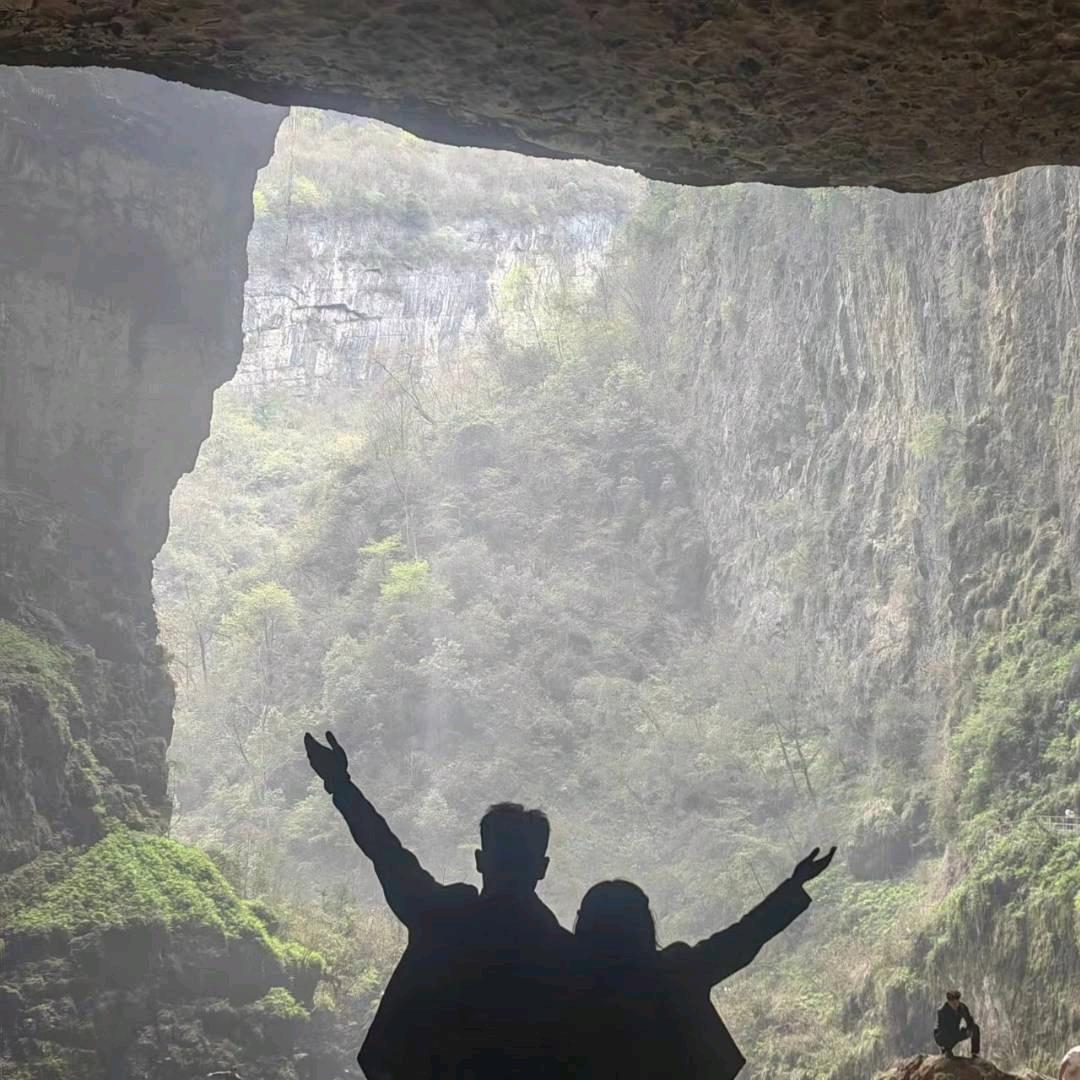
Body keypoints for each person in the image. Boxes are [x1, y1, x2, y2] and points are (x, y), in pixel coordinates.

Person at [304, 730, 580, 1080]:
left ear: (480, 860)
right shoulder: (567, 956)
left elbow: (386, 852)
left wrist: (339, 784)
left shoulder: (443, 917)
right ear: (542, 868)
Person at [572, 847, 836, 1080]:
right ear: (644, 925)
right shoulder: (677, 972)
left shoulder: (569, 992)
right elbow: (744, 937)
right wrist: (794, 884)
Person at [934, 990, 980, 1059]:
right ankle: (946, 1049)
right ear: (948, 1002)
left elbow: (969, 1020)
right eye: (952, 1002)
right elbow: (943, 1028)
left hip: (956, 1031)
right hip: (943, 1034)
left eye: (956, 1002)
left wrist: (969, 1030)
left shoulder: (962, 1007)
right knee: (945, 1035)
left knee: (975, 1028)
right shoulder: (942, 1011)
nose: (955, 1004)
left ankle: (974, 1053)